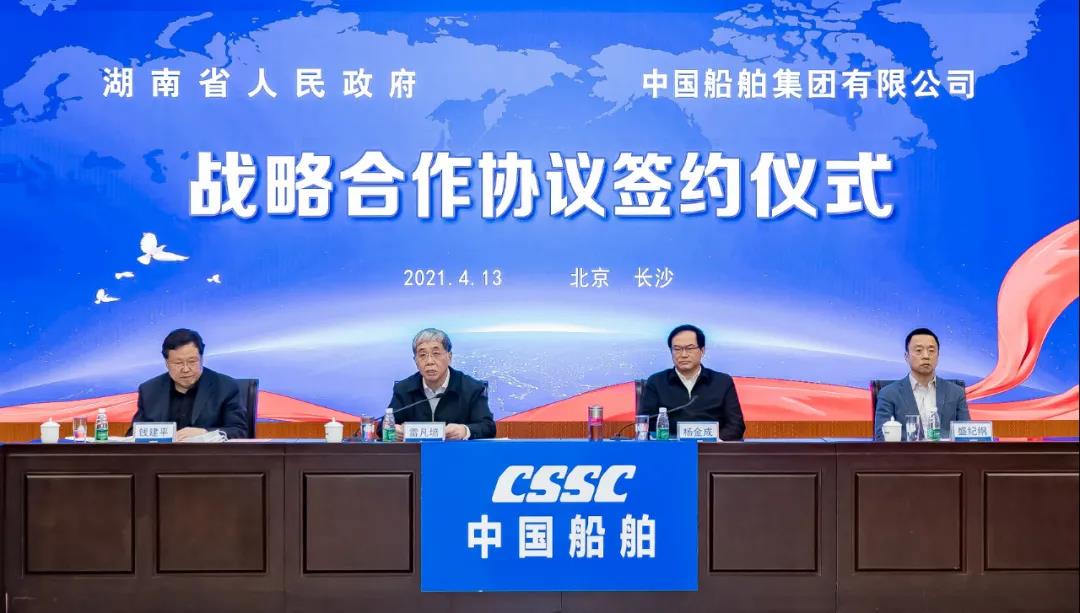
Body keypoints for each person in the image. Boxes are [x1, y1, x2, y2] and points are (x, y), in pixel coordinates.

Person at [131, 328, 249, 440]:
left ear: (201, 359)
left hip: (208, 454)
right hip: (161, 454)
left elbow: (239, 432)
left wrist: (205, 433)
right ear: (166, 363)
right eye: (178, 363)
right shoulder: (149, 390)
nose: (186, 369)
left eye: (192, 361)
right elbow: (133, 435)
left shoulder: (226, 387)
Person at [639, 324, 745, 441]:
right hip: (671, 448)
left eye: (690, 348)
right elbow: (646, 424)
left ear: (702, 351)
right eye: (677, 349)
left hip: (712, 449)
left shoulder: (722, 382)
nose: (683, 355)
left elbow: (736, 426)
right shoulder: (656, 382)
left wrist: (713, 442)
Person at [385, 328, 496, 440]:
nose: (430, 361)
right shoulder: (404, 389)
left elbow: (488, 427)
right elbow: (383, 425)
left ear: (449, 357)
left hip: (456, 450)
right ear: (415, 361)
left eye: (436, 353)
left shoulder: (472, 388)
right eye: (422, 355)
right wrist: (393, 430)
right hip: (416, 451)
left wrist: (465, 430)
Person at [874, 327, 970, 441]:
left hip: (945, 452)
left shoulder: (956, 392)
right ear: (906, 357)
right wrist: (921, 441)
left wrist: (937, 440)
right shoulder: (888, 394)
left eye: (931, 350)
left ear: (938, 356)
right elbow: (882, 435)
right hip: (906, 452)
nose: (926, 356)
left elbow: (967, 433)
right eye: (919, 350)